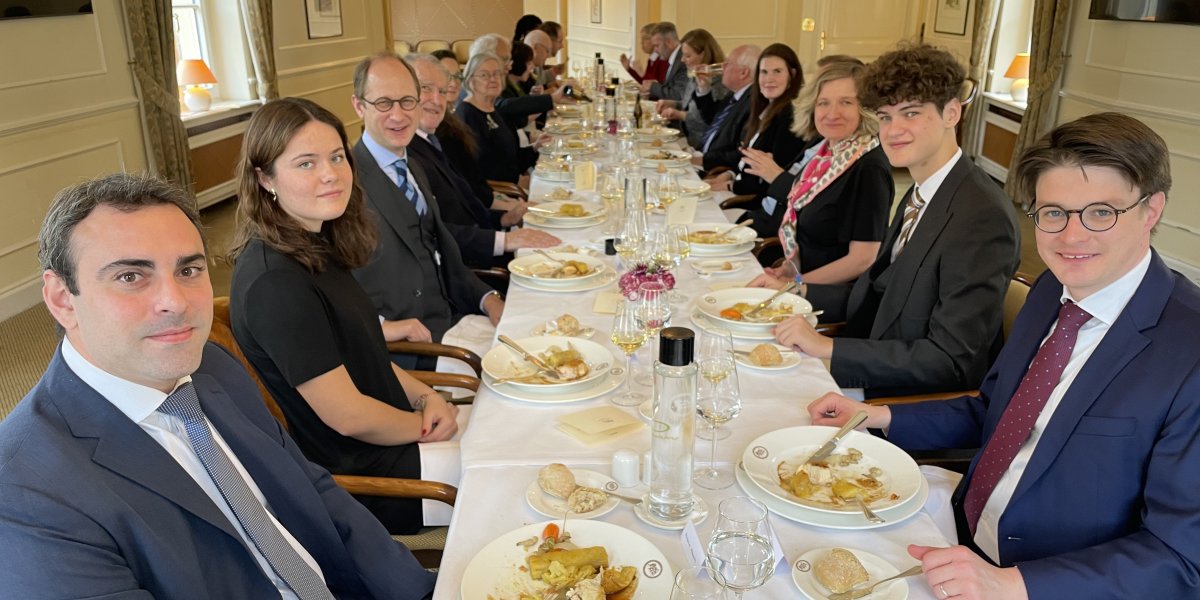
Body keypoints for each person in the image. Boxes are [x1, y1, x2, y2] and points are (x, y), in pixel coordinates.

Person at [808, 112, 1200, 599]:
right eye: (1053, 212)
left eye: (1101, 212)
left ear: (1152, 209)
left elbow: (1181, 559)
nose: (1071, 237)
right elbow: (992, 410)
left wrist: (1010, 584)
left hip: (1038, 580)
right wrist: (878, 416)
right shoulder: (1051, 291)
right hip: (954, 537)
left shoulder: (1189, 352)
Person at [0, 172, 435, 598]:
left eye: (188, 269)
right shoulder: (25, 492)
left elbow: (313, 491)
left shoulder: (213, 366)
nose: (175, 301)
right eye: (131, 276)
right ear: (61, 299)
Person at [228, 97, 461, 536]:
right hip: (370, 476)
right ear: (265, 178)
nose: (331, 174)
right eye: (306, 163)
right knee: (514, 474)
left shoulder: (314, 244)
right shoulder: (275, 282)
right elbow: (347, 415)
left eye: (337, 157)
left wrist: (427, 399)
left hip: (393, 433)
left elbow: (366, 356)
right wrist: (421, 425)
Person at [752, 43, 1020, 397]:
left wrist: (828, 349)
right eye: (886, 116)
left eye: (910, 113)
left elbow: (951, 359)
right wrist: (795, 290)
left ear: (951, 113)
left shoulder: (982, 217)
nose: (893, 131)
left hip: (906, 401)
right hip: (873, 366)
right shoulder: (922, 191)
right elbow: (879, 295)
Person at [348, 52, 503, 366]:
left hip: (455, 321)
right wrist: (382, 326)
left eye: (407, 101)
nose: (398, 115)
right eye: (383, 103)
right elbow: (337, 290)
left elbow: (445, 257)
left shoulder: (414, 167)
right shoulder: (346, 185)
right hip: (412, 354)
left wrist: (488, 299)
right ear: (359, 106)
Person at [740, 59, 892, 283]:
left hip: (831, 300)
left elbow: (863, 260)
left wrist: (794, 284)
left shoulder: (869, 167)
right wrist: (788, 269)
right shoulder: (825, 155)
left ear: (865, 108)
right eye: (823, 103)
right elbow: (812, 243)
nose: (832, 113)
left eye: (846, 102)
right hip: (803, 283)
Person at [405, 53, 558, 267]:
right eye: (426, 88)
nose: (439, 97)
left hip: (485, 228)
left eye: (443, 87)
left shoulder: (434, 137)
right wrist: (504, 228)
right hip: (475, 254)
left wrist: (503, 219)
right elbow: (435, 231)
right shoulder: (438, 134)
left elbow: (465, 195)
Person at [706, 43, 807, 199]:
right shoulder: (764, 108)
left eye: (777, 72)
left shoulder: (789, 118)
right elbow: (749, 162)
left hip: (750, 201)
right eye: (764, 72)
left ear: (792, 75)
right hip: (737, 188)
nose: (769, 79)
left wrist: (731, 186)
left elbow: (769, 180)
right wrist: (730, 174)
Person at [457, 51, 541, 184]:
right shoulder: (467, 114)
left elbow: (511, 157)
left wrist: (535, 147)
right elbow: (481, 170)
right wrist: (519, 181)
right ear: (470, 80)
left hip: (514, 183)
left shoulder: (493, 110)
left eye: (496, 74)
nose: (492, 79)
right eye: (484, 75)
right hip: (500, 193)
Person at [655, 28, 728, 149]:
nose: (682, 60)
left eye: (687, 56)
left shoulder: (719, 82)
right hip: (687, 139)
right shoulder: (695, 74)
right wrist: (673, 104)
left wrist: (679, 114)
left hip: (702, 145)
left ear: (704, 55)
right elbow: (690, 105)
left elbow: (708, 121)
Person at [693, 44, 761, 172]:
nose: (722, 67)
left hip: (715, 170)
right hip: (701, 156)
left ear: (743, 72)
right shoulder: (735, 93)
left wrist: (701, 160)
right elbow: (712, 119)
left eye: (727, 63)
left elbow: (739, 152)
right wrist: (704, 88)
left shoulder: (753, 103)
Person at [642, 22, 690, 101]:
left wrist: (653, 87)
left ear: (669, 42)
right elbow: (669, 89)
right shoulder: (672, 58)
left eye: (657, 46)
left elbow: (678, 95)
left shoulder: (682, 61)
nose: (655, 50)